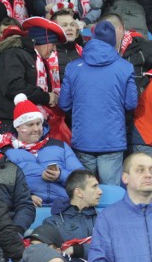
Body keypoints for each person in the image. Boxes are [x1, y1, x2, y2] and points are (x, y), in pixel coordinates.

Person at [59, 21, 138, 185]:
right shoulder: (125, 67)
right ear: (112, 41)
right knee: (111, 196)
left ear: (92, 39)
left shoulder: (73, 67)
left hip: (83, 140)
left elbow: (64, 104)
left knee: (85, 194)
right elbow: (131, 104)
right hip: (112, 141)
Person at [5, 94, 84, 206]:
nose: (36, 129)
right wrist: (26, 197)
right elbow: (2, 188)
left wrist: (60, 176)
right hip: (28, 209)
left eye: (38, 123)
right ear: (18, 127)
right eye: (30, 125)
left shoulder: (60, 146)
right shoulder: (8, 152)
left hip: (64, 206)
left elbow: (83, 178)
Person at [88, 152, 152, 262]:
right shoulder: (108, 217)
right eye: (140, 170)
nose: (148, 174)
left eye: (151, 170)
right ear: (125, 177)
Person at [0, 17, 65, 130]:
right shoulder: (12, 53)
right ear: (43, 41)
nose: (54, 50)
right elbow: (14, 87)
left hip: (27, 121)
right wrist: (46, 97)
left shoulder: (35, 58)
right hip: (10, 122)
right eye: (52, 44)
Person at [42, 169, 101, 262]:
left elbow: (110, 249)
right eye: (94, 186)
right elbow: (48, 258)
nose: (100, 191)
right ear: (79, 192)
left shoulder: (104, 220)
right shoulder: (52, 223)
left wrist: (77, 250)